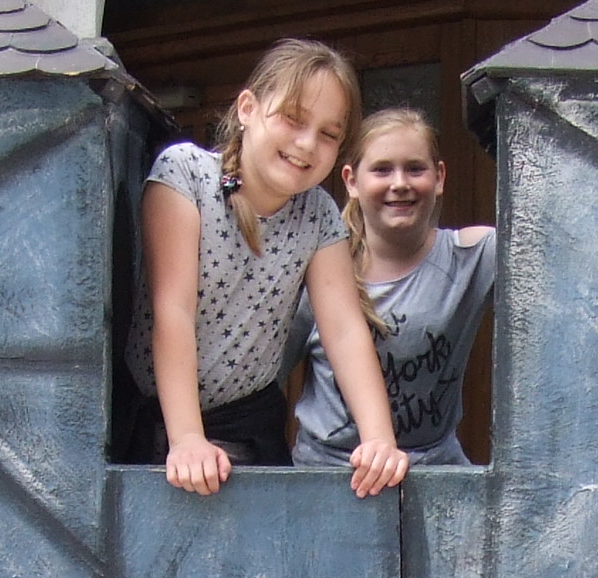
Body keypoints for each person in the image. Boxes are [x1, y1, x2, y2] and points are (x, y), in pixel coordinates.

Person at [124, 38, 409, 497]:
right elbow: (172, 309)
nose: (306, 143)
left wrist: (380, 441)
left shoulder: (317, 213)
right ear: (247, 109)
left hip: (250, 429)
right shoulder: (186, 174)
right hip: (163, 424)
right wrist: (188, 438)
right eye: (293, 119)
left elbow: (344, 331)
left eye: (328, 134)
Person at [289, 107, 496, 472]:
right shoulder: (320, 268)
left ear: (440, 177)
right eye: (382, 170)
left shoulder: (473, 257)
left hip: (435, 468)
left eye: (415, 169)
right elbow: (266, 374)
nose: (399, 182)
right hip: (330, 471)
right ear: (351, 181)